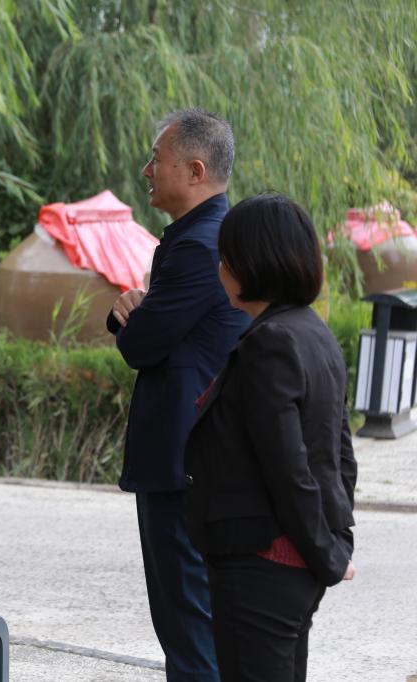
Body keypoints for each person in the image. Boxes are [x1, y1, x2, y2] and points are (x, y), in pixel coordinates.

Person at [185, 194, 357, 681]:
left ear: (252, 263)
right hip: (291, 566)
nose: (220, 269)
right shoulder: (314, 333)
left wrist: (328, 553)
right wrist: (335, 542)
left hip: (263, 564)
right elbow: (341, 455)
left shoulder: (270, 343)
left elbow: (289, 467)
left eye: (226, 258)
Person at [106, 109, 249, 680]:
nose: (146, 170)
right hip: (197, 461)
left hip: (183, 462)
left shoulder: (199, 245)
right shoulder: (210, 236)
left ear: (194, 170)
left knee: (189, 629)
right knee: (195, 626)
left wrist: (128, 315)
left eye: (156, 159)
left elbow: (142, 343)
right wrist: (138, 313)